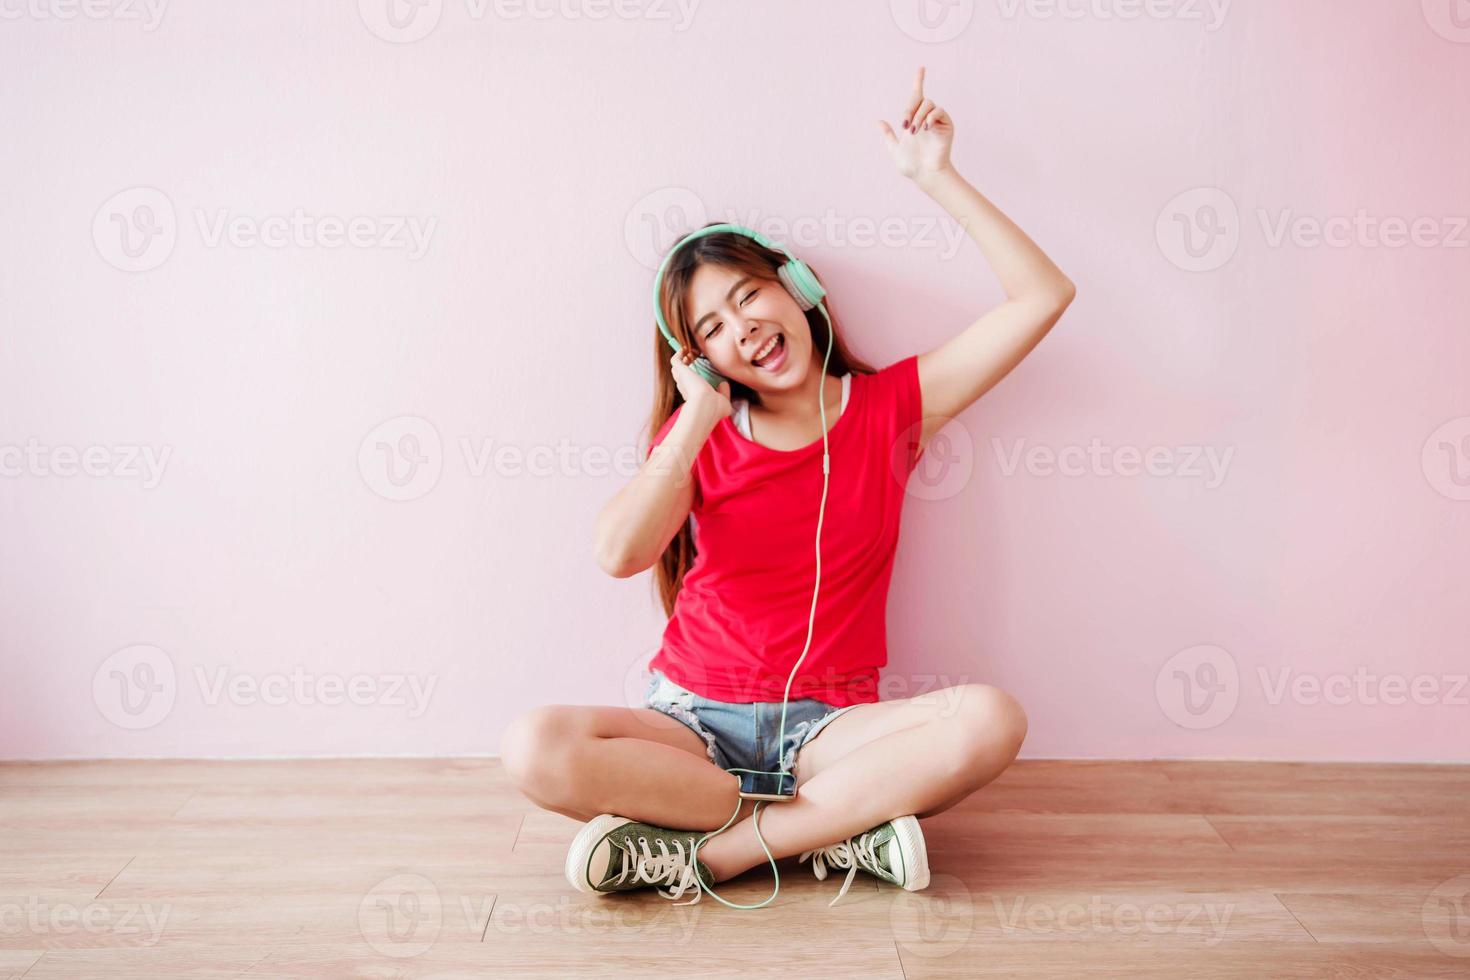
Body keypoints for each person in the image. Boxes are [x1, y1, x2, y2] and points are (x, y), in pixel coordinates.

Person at [500, 66, 1076, 908]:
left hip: (830, 731)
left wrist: (936, 177)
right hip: (690, 727)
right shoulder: (696, 435)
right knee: (533, 745)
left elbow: (1043, 296)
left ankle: (723, 853)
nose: (746, 329)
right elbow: (619, 553)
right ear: (700, 356)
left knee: (992, 720)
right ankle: (841, 828)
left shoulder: (891, 410)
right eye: (713, 329)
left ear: (797, 288)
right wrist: (697, 414)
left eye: (750, 297)